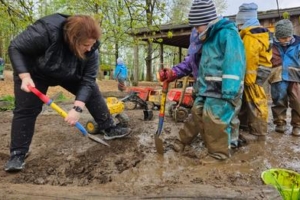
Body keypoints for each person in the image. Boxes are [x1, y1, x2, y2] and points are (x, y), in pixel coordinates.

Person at [5, 14, 131, 172]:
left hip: (68, 70)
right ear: (73, 39)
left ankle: (109, 127)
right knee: (26, 109)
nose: (89, 48)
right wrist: (24, 75)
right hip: (34, 72)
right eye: (85, 45)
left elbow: (88, 81)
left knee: (92, 91)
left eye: (92, 45)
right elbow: (15, 47)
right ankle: (17, 154)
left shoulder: (92, 50)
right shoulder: (47, 30)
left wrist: (77, 108)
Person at [160, 0, 246, 160]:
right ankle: (183, 140)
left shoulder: (227, 34)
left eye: (197, 26)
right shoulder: (203, 36)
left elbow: (234, 62)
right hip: (206, 87)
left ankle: (219, 154)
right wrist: (173, 72)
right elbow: (191, 61)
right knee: (196, 113)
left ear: (208, 22)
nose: (195, 29)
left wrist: (229, 90)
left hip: (222, 89)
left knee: (216, 119)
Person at [235, 3, 273, 143]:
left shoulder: (250, 36)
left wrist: (248, 79)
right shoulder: (261, 32)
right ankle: (246, 127)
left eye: (239, 23)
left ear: (244, 21)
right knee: (249, 100)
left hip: (254, 73)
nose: (238, 26)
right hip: (262, 70)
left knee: (255, 101)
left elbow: (250, 58)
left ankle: (258, 133)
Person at [269, 19, 300, 136]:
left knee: (298, 102)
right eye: (282, 38)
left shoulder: (298, 44)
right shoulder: (271, 44)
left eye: (288, 37)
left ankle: (297, 125)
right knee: (279, 100)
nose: (286, 40)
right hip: (277, 76)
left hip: (296, 77)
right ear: (277, 36)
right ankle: (280, 123)